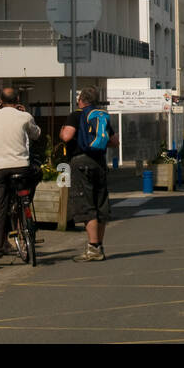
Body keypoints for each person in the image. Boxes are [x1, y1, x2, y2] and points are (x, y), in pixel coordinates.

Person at [0, 87, 41, 265]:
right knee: (34, 176)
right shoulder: (25, 116)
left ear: (0, 99)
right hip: (21, 167)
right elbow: (36, 134)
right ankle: (26, 205)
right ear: (17, 100)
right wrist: (27, 115)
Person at [60, 86, 116, 262]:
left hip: (80, 162)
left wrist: (62, 131)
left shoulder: (76, 115)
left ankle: (93, 248)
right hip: (99, 162)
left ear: (81, 100)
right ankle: (99, 245)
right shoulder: (101, 116)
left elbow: (67, 136)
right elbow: (114, 141)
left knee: (86, 204)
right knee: (100, 204)